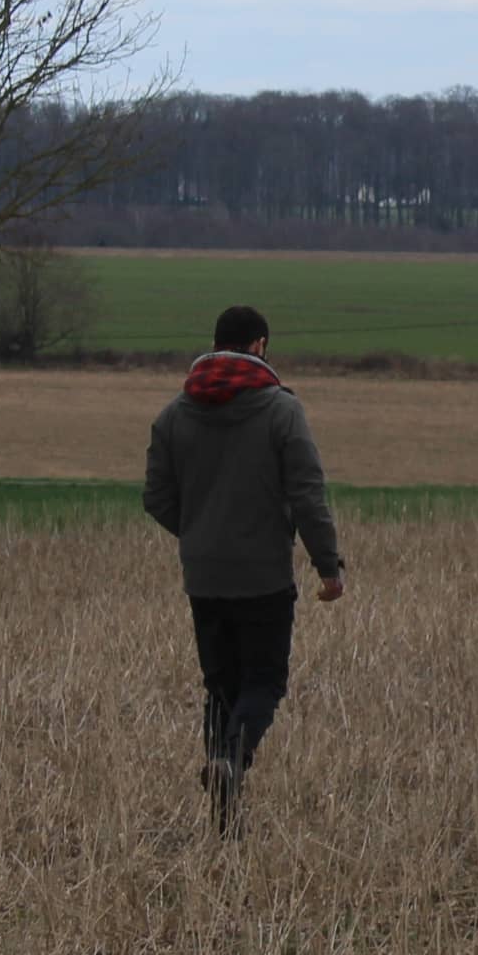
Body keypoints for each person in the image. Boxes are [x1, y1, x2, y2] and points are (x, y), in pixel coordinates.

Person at [143, 303, 345, 833]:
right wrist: (328, 565)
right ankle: (232, 758)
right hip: (264, 574)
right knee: (264, 682)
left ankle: (224, 811)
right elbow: (306, 494)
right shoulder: (282, 411)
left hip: (204, 575)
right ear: (259, 346)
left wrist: (198, 533)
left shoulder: (172, 415)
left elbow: (156, 497)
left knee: (220, 686)